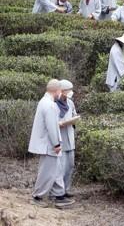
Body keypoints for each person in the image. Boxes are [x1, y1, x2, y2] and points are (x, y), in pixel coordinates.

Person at [28, 79, 75, 208]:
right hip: (49, 144)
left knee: (55, 170)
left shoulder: (45, 102)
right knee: (47, 172)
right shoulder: (49, 105)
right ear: (57, 91)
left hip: (49, 144)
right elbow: (52, 127)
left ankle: (58, 196)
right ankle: (37, 196)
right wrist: (56, 144)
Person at [56, 80, 78, 198]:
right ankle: (59, 192)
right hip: (61, 139)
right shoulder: (54, 104)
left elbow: (74, 114)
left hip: (70, 138)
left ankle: (66, 189)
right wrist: (60, 123)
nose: (70, 92)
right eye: (68, 90)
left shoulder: (70, 102)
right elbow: (52, 121)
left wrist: (74, 119)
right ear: (62, 91)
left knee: (70, 165)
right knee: (61, 167)